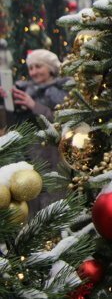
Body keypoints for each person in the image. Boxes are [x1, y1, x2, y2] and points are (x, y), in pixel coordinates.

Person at [0, 49, 68, 212]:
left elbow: (61, 120)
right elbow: (11, 122)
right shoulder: (25, 89)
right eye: (31, 68)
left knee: (52, 190)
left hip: (53, 151)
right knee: (29, 189)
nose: (34, 72)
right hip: (29, 150)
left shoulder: (62, 91)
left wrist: (33, 106)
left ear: (50, 68)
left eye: (38, 67)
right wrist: (7, 101)